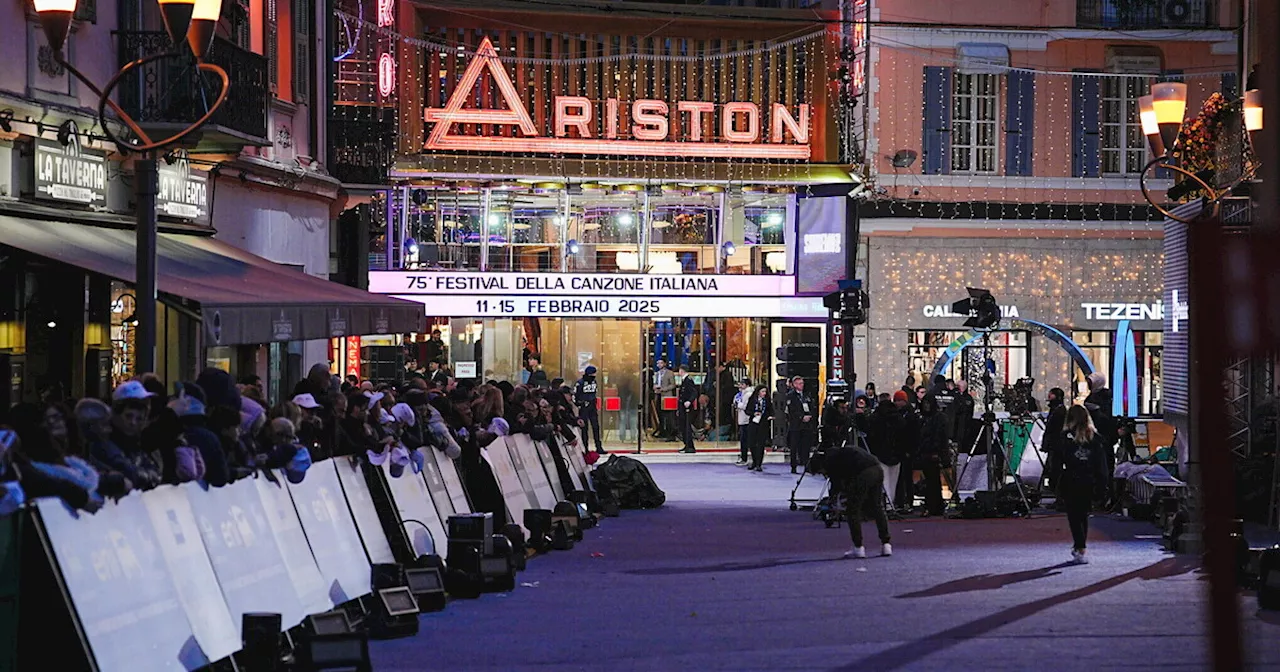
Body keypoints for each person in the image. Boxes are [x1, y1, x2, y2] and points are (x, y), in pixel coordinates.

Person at [1058, 405, 1110, 564]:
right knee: (1083, 514)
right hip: (1088, 480)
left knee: (1073, 515)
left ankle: (1079, 545)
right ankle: (1081, 546)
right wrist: (1102, 483)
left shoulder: (1066, 437)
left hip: (1071, 479)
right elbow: (1101, 464)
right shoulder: (1094, 437)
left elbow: (1059, 459)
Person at [826, 438, 892, 559]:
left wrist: (834, 497)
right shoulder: (848, 451)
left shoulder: (833, 462)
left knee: (853, 510)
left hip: (864, 473)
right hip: (877, 469)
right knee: (877, 506)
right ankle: (886, 544)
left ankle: (858, 547)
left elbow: (838, 483)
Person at [916, 394, 949, 516]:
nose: (926, 406)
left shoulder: (937, 418)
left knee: (933, 480)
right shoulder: (923, 418)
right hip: (924, 451)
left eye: (928, 404)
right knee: (930, 480)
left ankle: (934, 505)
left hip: (934, 452)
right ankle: (933, 505)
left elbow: (940, 437)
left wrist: (938, 452)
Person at [785, 376, 816, 474]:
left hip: (807, 425)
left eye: (802, 383)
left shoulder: (807, 395)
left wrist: (810, 416)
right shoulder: (790, 396)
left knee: (806, 446)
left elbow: (812, 407)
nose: (801, 385)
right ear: (794, 385)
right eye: (798, 383)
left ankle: (806, 464)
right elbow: (791, 411)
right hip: (796, 425)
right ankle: (793, 466)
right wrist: (801, 417)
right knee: (794, 447)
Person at [573, 365, 605, 454]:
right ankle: (585, 448)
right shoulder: (580, 383)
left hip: (592, 407)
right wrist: (579, 404)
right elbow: (574, 395)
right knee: (584, 428)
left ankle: (598, 447)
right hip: (584, 408)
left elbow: (594, 392)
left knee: (596, 427)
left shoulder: (594, 382)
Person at [1042, 387, 1068, 496]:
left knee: (1055, 467)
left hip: (1057, 444)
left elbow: (1053, 428)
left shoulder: (1059, 411)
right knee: (1053, 466)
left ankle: (1056, 489)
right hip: (1055, 443)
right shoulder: (1056, 410)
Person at [745, 385, 771, 471]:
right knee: (752, 444)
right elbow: (747, 410)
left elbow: (770, 411)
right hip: (753, 423)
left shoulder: (767, 401)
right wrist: (754, 413)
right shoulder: (752, 400)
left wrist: (769, 416)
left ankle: (759, 464)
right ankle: (754, 461)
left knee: (761, 444)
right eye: (762, 391)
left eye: (765, 392)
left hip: (763, 424)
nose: (764, 393)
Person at [652, 359, 676, 439]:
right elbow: (656, 383)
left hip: (667, 396)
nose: (659, 364)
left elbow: (673, 385)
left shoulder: (670, 373)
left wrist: (663, 389)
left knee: (668, 416)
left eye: (660, 363)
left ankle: (670, 433)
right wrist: (655, 387)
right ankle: (662, 431)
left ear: (664, 364)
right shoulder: (657, 373)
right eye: (657, 363)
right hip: (658, 396)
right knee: (660, 414)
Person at [677, 365, 699, 454]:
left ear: (682, 371)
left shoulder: (688, 380)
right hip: (682, 407)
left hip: (687, 408)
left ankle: (690, 446)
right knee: (683, 426)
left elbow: (694, 392)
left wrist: (689, 401)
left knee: (687, 426)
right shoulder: (684, 380)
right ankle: (686, 444)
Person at [733, 378, 752, 465]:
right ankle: (743, 456)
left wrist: (738, 404)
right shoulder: (741, 394)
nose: (740, 386)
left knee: (745, 440)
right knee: (743, 439)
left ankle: (744, 458)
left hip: (746, 419)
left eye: (742, 384)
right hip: (742, 419)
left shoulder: (748, 394)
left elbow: (746, 406)